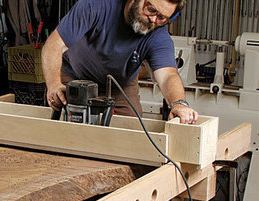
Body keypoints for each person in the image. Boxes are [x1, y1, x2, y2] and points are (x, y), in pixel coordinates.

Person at [42, 0, 199, 124]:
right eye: (151, 9)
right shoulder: (97, 5)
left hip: (120, 88)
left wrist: (178, 103)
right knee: (64, 134)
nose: (152, 19)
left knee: (132, 135)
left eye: (161, 17)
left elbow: (167, 75)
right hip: (74, 79)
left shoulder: (157, 35)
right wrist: (54, 84)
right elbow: (54, 45)